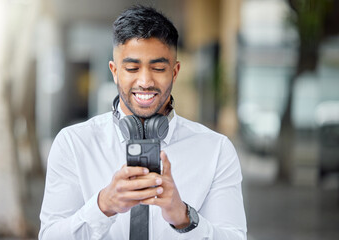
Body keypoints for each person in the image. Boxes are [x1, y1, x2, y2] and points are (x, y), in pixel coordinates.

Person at [39, 5, 247, 240]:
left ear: (175, 72)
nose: (145, 81)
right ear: (115, 71)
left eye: (158, 68)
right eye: (132, 68)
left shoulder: (217, 150)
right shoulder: (72, 144)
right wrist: (103, 205)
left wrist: (183, 216)